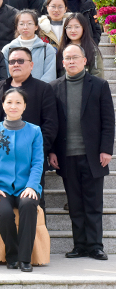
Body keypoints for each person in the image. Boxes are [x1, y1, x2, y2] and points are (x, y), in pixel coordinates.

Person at [50, 44, 114, 261]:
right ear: (62, 62)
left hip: (93, 155)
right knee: (75, 204)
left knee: (93, 203)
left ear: (85, 60)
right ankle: (79, 245)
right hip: (66, 155)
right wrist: (52, 151)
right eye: (67, 58)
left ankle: (95, 246)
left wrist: (106, 149)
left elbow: (108, 120)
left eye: (75, 57)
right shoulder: (54, 87)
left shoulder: (99, 85)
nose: (71, 61)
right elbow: (52, 123)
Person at [0, 87, 44, 272]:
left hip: (27, 186)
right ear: (3, 105)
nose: (13, 106)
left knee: (28, 205)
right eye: (9, 102)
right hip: (1, 187)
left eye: (18, 102)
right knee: (5, 213)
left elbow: (37, 162)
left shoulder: (34, 131)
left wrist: (32, 186)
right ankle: (12, 256)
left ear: (24, 106)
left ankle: (25, 259)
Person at [0, 47, 58, 214]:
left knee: (33, 205)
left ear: (31, 65)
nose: (16, 64)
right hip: (2, 163)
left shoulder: (43, 89)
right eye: (12, 61)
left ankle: (36, 233)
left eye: (21, 61)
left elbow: (50, 125)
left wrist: (36, 150)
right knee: (3, 208)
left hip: (32, 161)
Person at [2, 10, 57, 83]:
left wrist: (37, 88)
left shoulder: (47, 49)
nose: (25, 27)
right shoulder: (7, 49)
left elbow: (50, 75)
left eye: (29, 23)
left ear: (36, 27)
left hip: (40, 89)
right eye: (21, 24)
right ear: (17, 27)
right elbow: (5, 75)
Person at [56, 13, 103, 79]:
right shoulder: (61, 49)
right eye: (69, 27)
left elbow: (98, 74)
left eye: (77, 27)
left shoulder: (92, 49)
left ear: (83, 28)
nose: (73, 30)